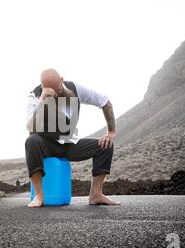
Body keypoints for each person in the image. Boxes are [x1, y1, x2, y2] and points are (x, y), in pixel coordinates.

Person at [25, 68, 120, 208]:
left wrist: (111, 132)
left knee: (105, 145)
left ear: (62, 80)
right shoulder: (34, 96)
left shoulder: (75, 89)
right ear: (43, 87)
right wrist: (42, 101)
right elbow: (29, 127)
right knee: (31, 141)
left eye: (58, 88)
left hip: (70, 144)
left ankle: (96, 194)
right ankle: (39, 196)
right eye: (52, 92)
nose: (57, 93)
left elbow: (104, 101)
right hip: (46, 145)